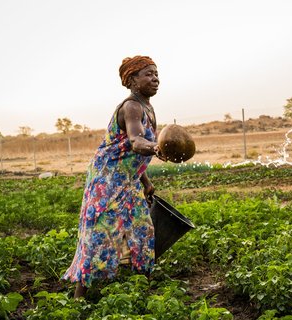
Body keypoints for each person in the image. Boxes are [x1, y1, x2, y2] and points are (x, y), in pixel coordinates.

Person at [62, 55, 165, 298]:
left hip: (127, 181)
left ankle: (143, 292)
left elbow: (133, 155)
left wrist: (146, 182)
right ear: (132, 80)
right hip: (106, 181)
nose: (155, 79)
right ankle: (79, 297)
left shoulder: (148, 108)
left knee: (143, 230)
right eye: (148, 74)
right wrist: (157, 148)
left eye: (156, 73)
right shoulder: (131, 106)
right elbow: (136, 141)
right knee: (100, 234)